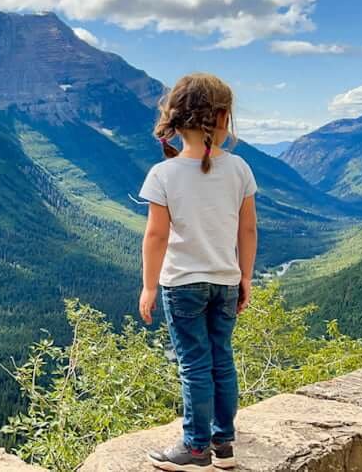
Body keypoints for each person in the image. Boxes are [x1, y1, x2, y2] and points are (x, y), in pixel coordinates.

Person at [137, 73, 257, 471]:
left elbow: (155, 236)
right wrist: (245, 277)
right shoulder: (239, 169)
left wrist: (148, 287)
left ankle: (195, 446)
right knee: (222, 359)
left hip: (182, 285)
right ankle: (224, 445)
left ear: (177, 119)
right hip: (224, 281)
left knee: (194, 365)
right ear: (222, 118)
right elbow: (248, 229)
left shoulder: (164, 175)